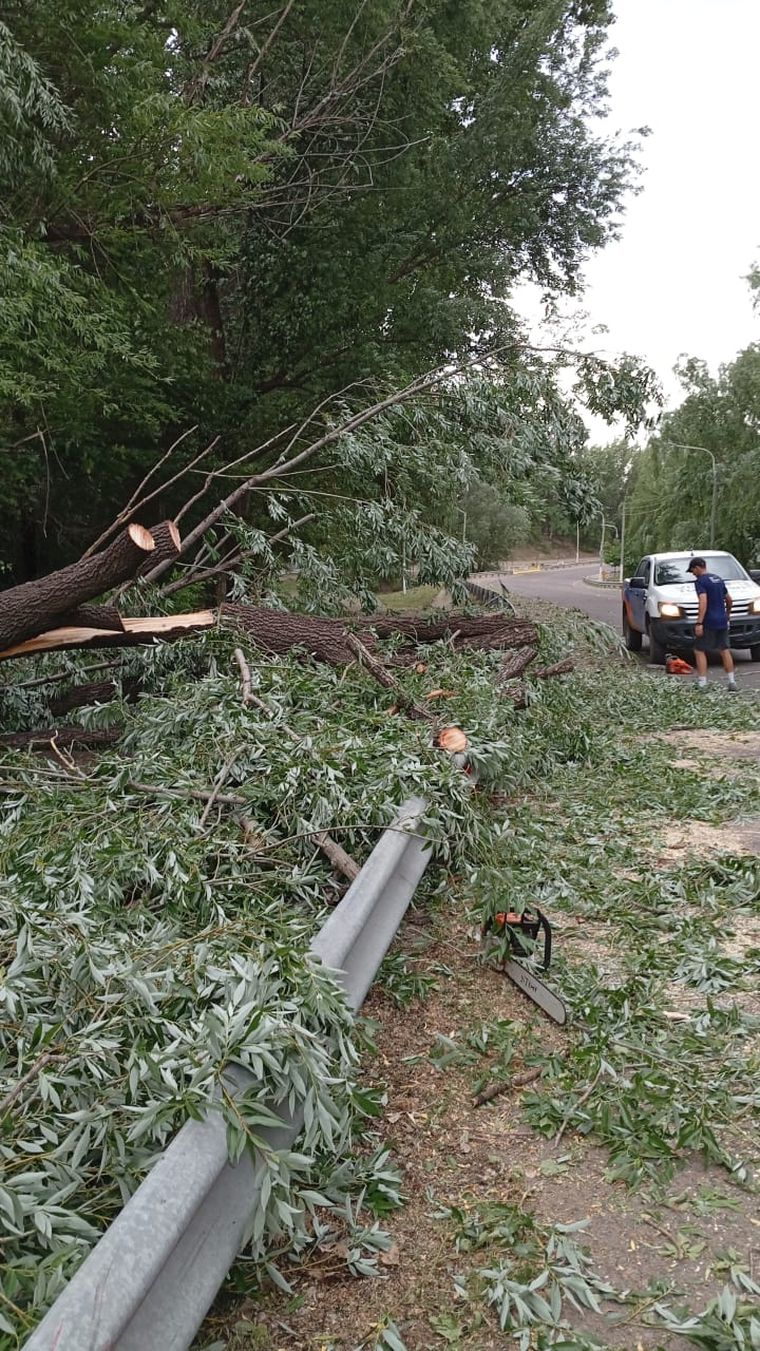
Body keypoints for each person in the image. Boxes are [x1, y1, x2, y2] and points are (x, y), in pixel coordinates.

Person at [687, 557, 736, 691]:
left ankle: (702, 684)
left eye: (692, 571)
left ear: (697, 568)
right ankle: (732, 682)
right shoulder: (718, 579)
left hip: (709, 621)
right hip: (722, 620)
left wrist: (699, 623)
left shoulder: (700, 582)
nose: (693, 574)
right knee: (724, 649)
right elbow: (729, 599)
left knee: (699, 650)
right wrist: (728, 614)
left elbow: (703, 601)